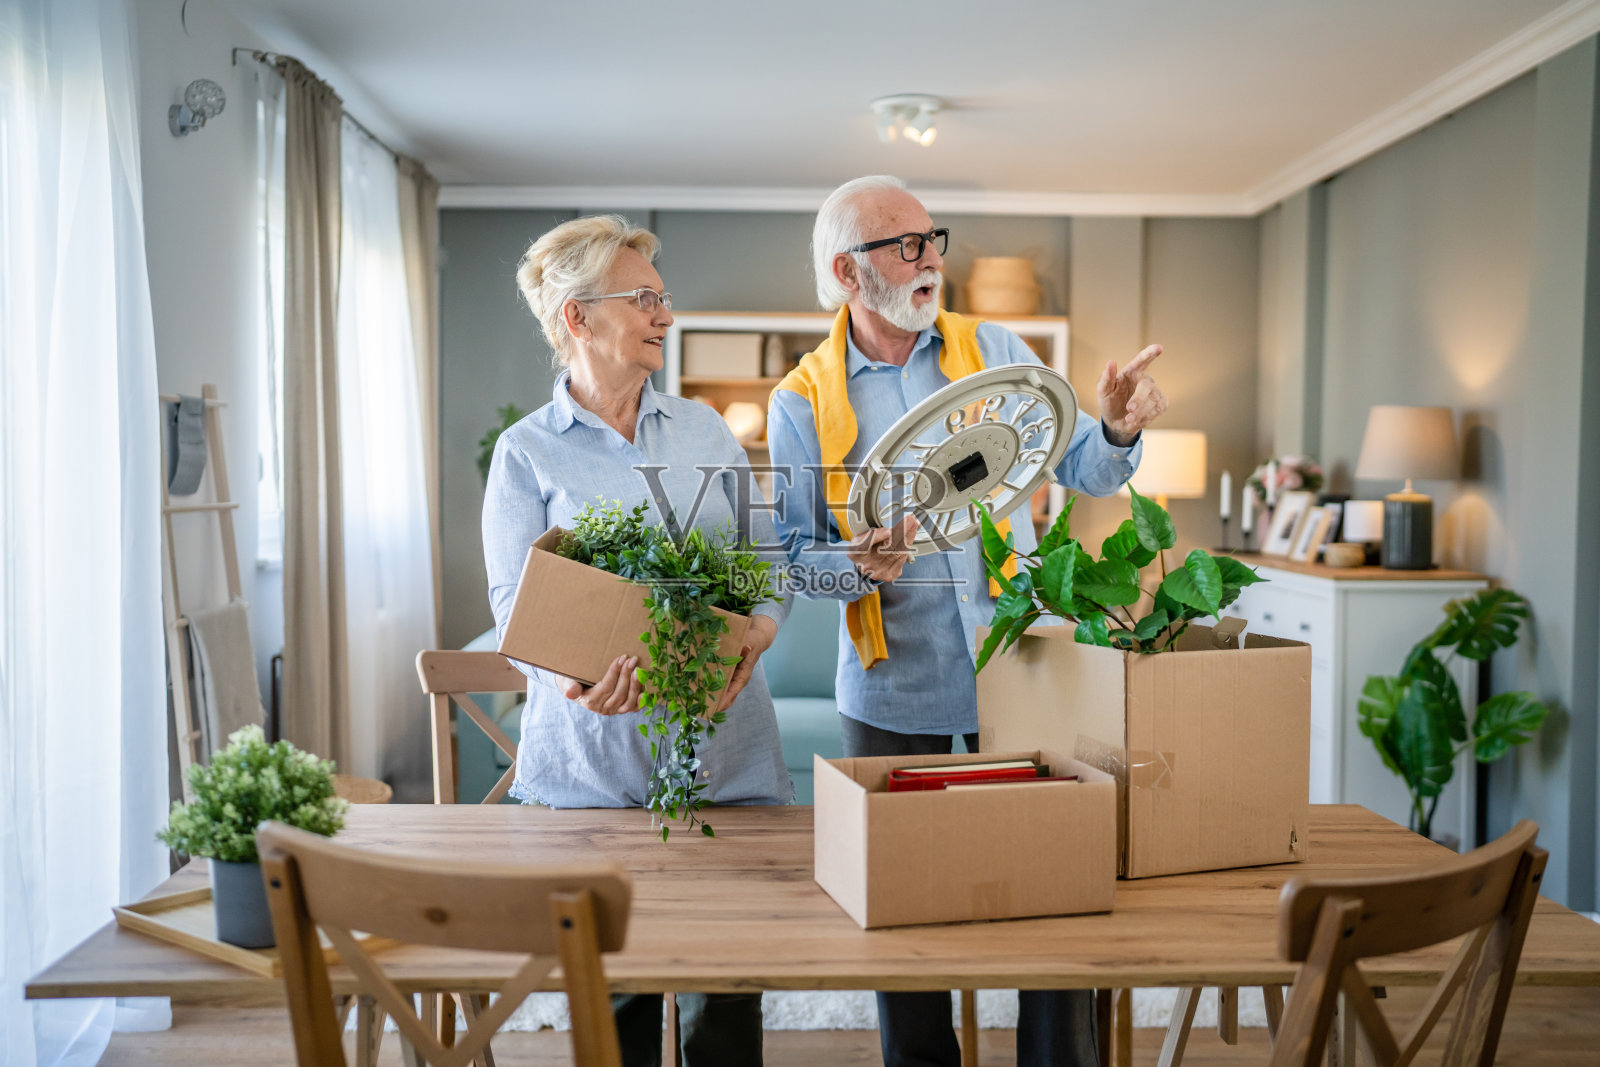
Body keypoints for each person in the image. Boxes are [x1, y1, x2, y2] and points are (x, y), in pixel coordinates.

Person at [767, 175, 1169, 1067]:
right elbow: (795, 558)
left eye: (932, 238)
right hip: (888, 686)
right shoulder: (801, 398)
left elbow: (1090, 474)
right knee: (903, 910)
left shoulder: (992, 345)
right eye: (905, 245)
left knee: (1051, 889)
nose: (931, 259)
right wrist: (853, 563)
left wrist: (1110, 428)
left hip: (1019, 666)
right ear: (846, 270)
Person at [483, 214, 791, 1067]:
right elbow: (517, 606)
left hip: (726, 758)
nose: (664, 314)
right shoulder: (525, 453)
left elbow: (763, 553)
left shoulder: (704, 431)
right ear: (579, 318)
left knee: (725, 996)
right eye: (644, 299)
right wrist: (568, 680)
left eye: (664, 298)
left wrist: (759, 631)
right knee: (615, 1000)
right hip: (594, 770)